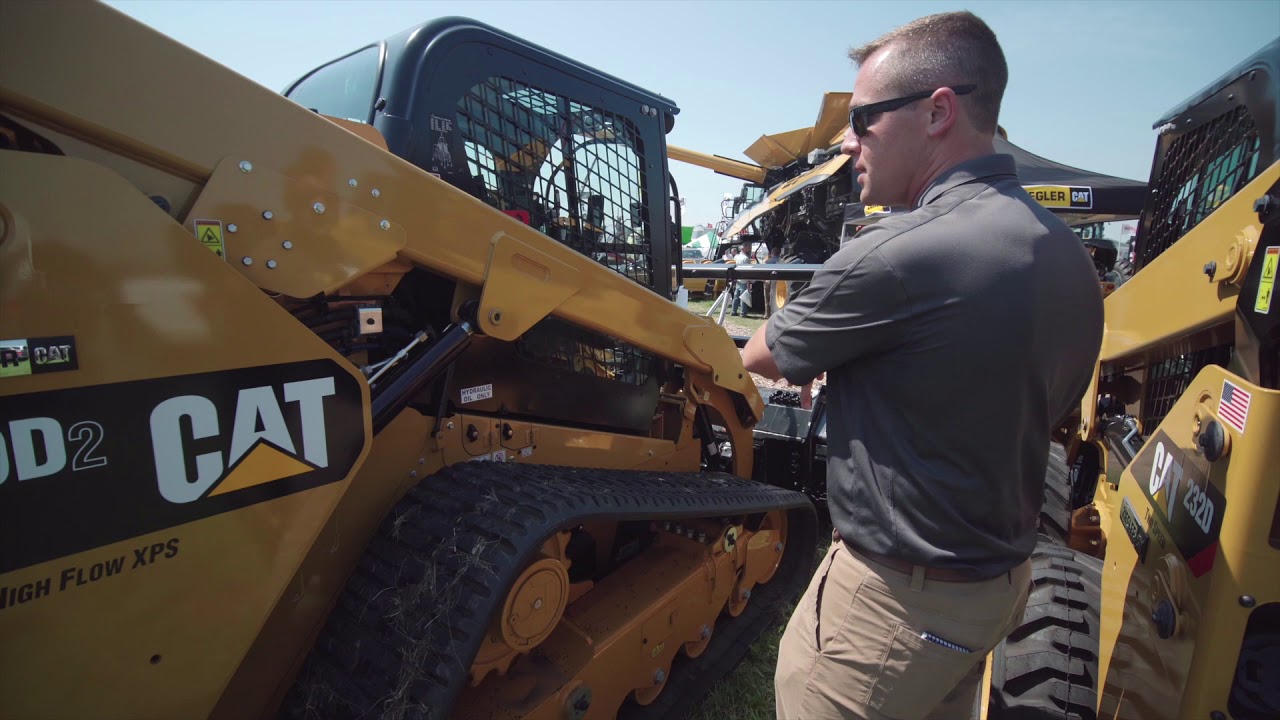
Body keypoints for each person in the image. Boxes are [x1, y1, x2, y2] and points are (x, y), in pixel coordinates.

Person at [741, 11, 1104, 719]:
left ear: (938, 111)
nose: (848, 143)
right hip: (996, 583)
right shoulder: (1067, 258)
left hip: (891, 604)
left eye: (864, 118)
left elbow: (761, 356)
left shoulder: (897, 253)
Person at [730, 243, 752, 316]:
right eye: (747, 247)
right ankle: (743, 312)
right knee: (743, 297)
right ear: (744, 248)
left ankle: (733, 311)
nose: (749, 248)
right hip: (744, 279)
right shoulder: (746, 258)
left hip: (737, 279)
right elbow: (748, 271)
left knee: (736, 297)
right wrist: (749, 281)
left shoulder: (736, 257)